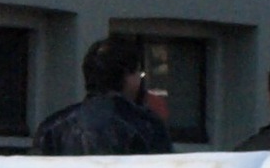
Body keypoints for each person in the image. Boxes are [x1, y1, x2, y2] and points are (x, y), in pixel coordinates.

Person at [32, 35, 175, 157]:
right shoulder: (147, 126)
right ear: (127, 75)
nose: (140, 80)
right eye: (139, 73)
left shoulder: (52, 127)